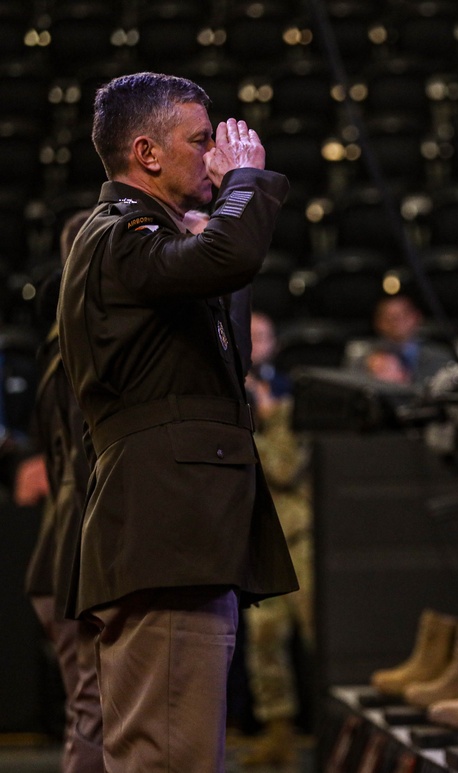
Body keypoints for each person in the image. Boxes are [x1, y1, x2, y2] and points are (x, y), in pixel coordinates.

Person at [57, 72, 298, 772]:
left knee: (178, 749)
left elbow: (226, 346)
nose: (218, 151)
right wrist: (244, 187)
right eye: (200, 139)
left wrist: (219, 217)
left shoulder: (148, 240)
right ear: (147, 153)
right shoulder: (120, 233)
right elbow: (229, 256)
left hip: (180, 535)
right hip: (166, 530)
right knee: (168, 756)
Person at [23, 209, 104, 773]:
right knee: (95, 712)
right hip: (77, 560)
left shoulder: (56, 342)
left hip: (61, 558)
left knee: (90, 713)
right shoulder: (86, 341)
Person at [240, 310, 315, 767]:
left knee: (315, 634)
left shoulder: (290, 398)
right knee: (263, 641)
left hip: (299, 536)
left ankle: (334, 728)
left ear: (275, 344)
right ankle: (278, 733)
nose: (253, 341)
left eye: (262, 334)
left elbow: (285, 468)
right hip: (256, 536)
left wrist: (265, 421)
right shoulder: (224, 391)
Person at [369, 294, 456, 383]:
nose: (397, 322)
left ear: (417, 316)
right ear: (378, 322)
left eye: (404, 314)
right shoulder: (366, 359)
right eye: (389, 317)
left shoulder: (440, 358)